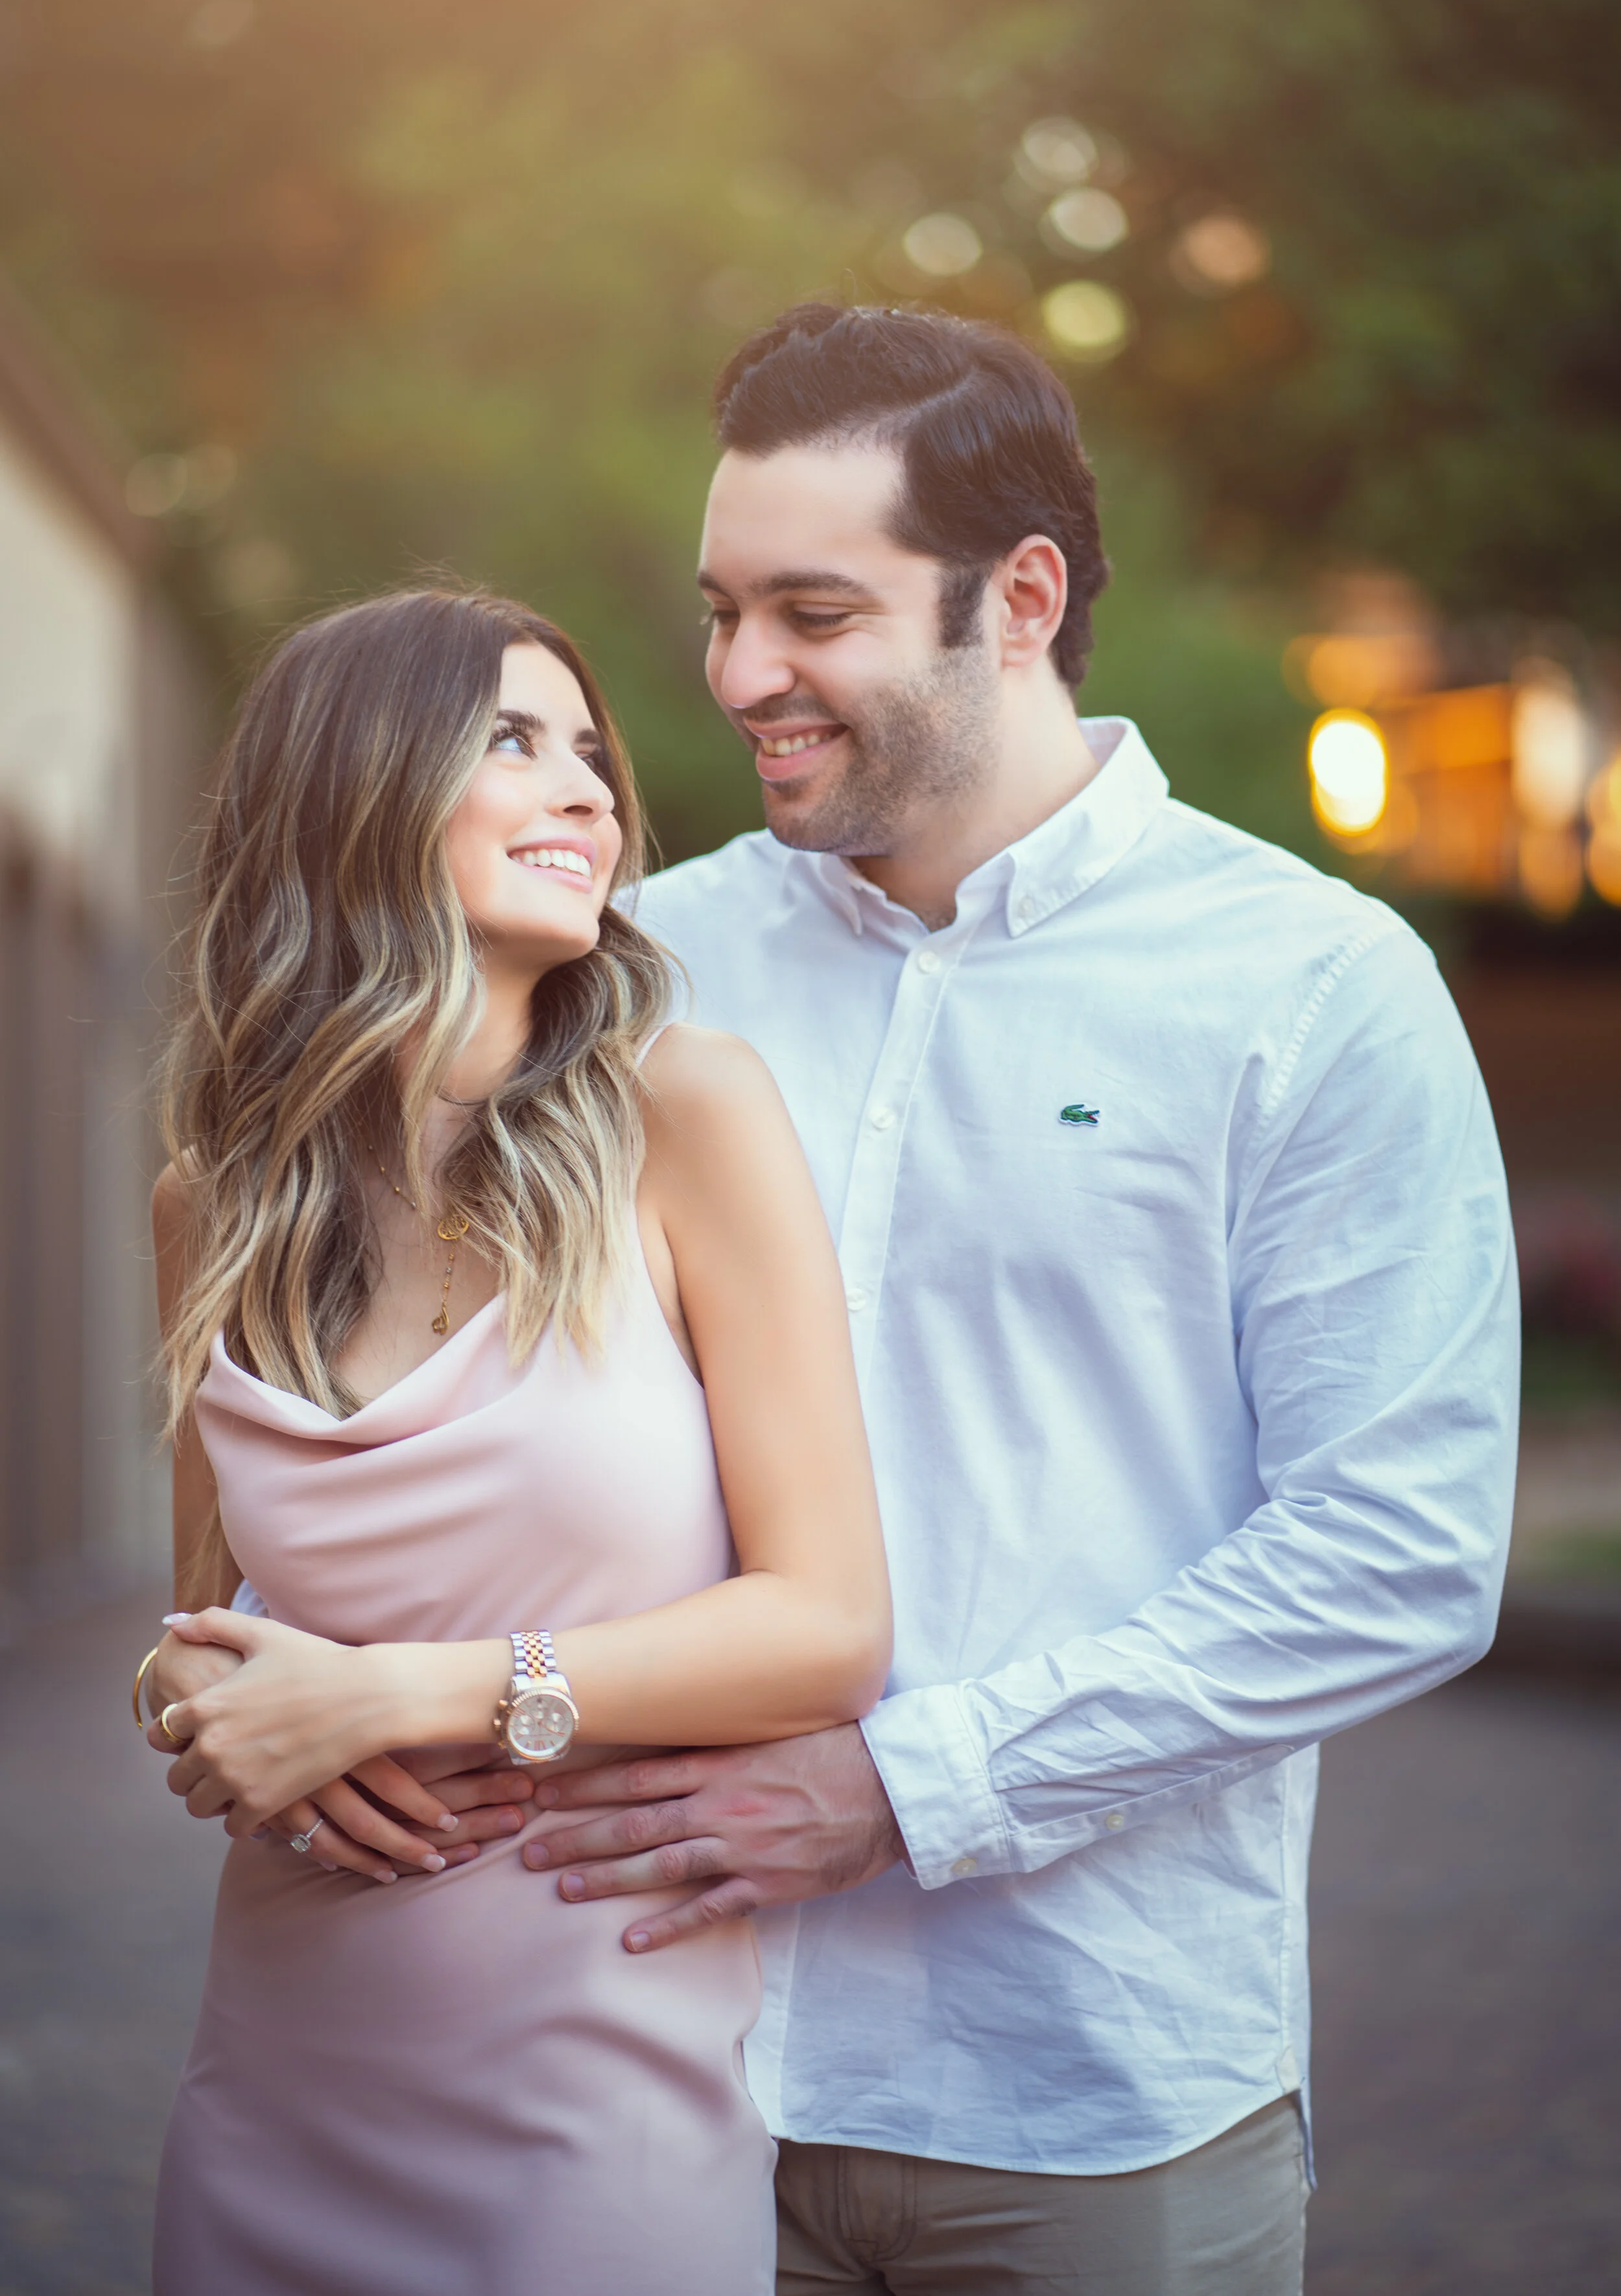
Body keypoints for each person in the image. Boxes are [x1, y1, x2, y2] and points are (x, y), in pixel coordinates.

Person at [498, 304, 1518, 2292]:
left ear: (1019, 596)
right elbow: (474, 1383)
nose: (737, 678)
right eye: (720, 613)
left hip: (1091, 2104)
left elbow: (1395, 1547)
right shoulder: (638, 975)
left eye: (811, 611)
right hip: (646, 2063)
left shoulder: (1308, 987)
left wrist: (902, 1789)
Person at [135, 585, 892, 2296]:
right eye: (511, 739)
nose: (590, 795)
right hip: (278, 2088)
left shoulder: (684, 1114)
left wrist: (407, 1693)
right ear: (355, 793)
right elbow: (203, 1619)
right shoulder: (214, 1206)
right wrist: (188, 1700)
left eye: (590, 753)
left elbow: (829, 1625)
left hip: (594, 2110)